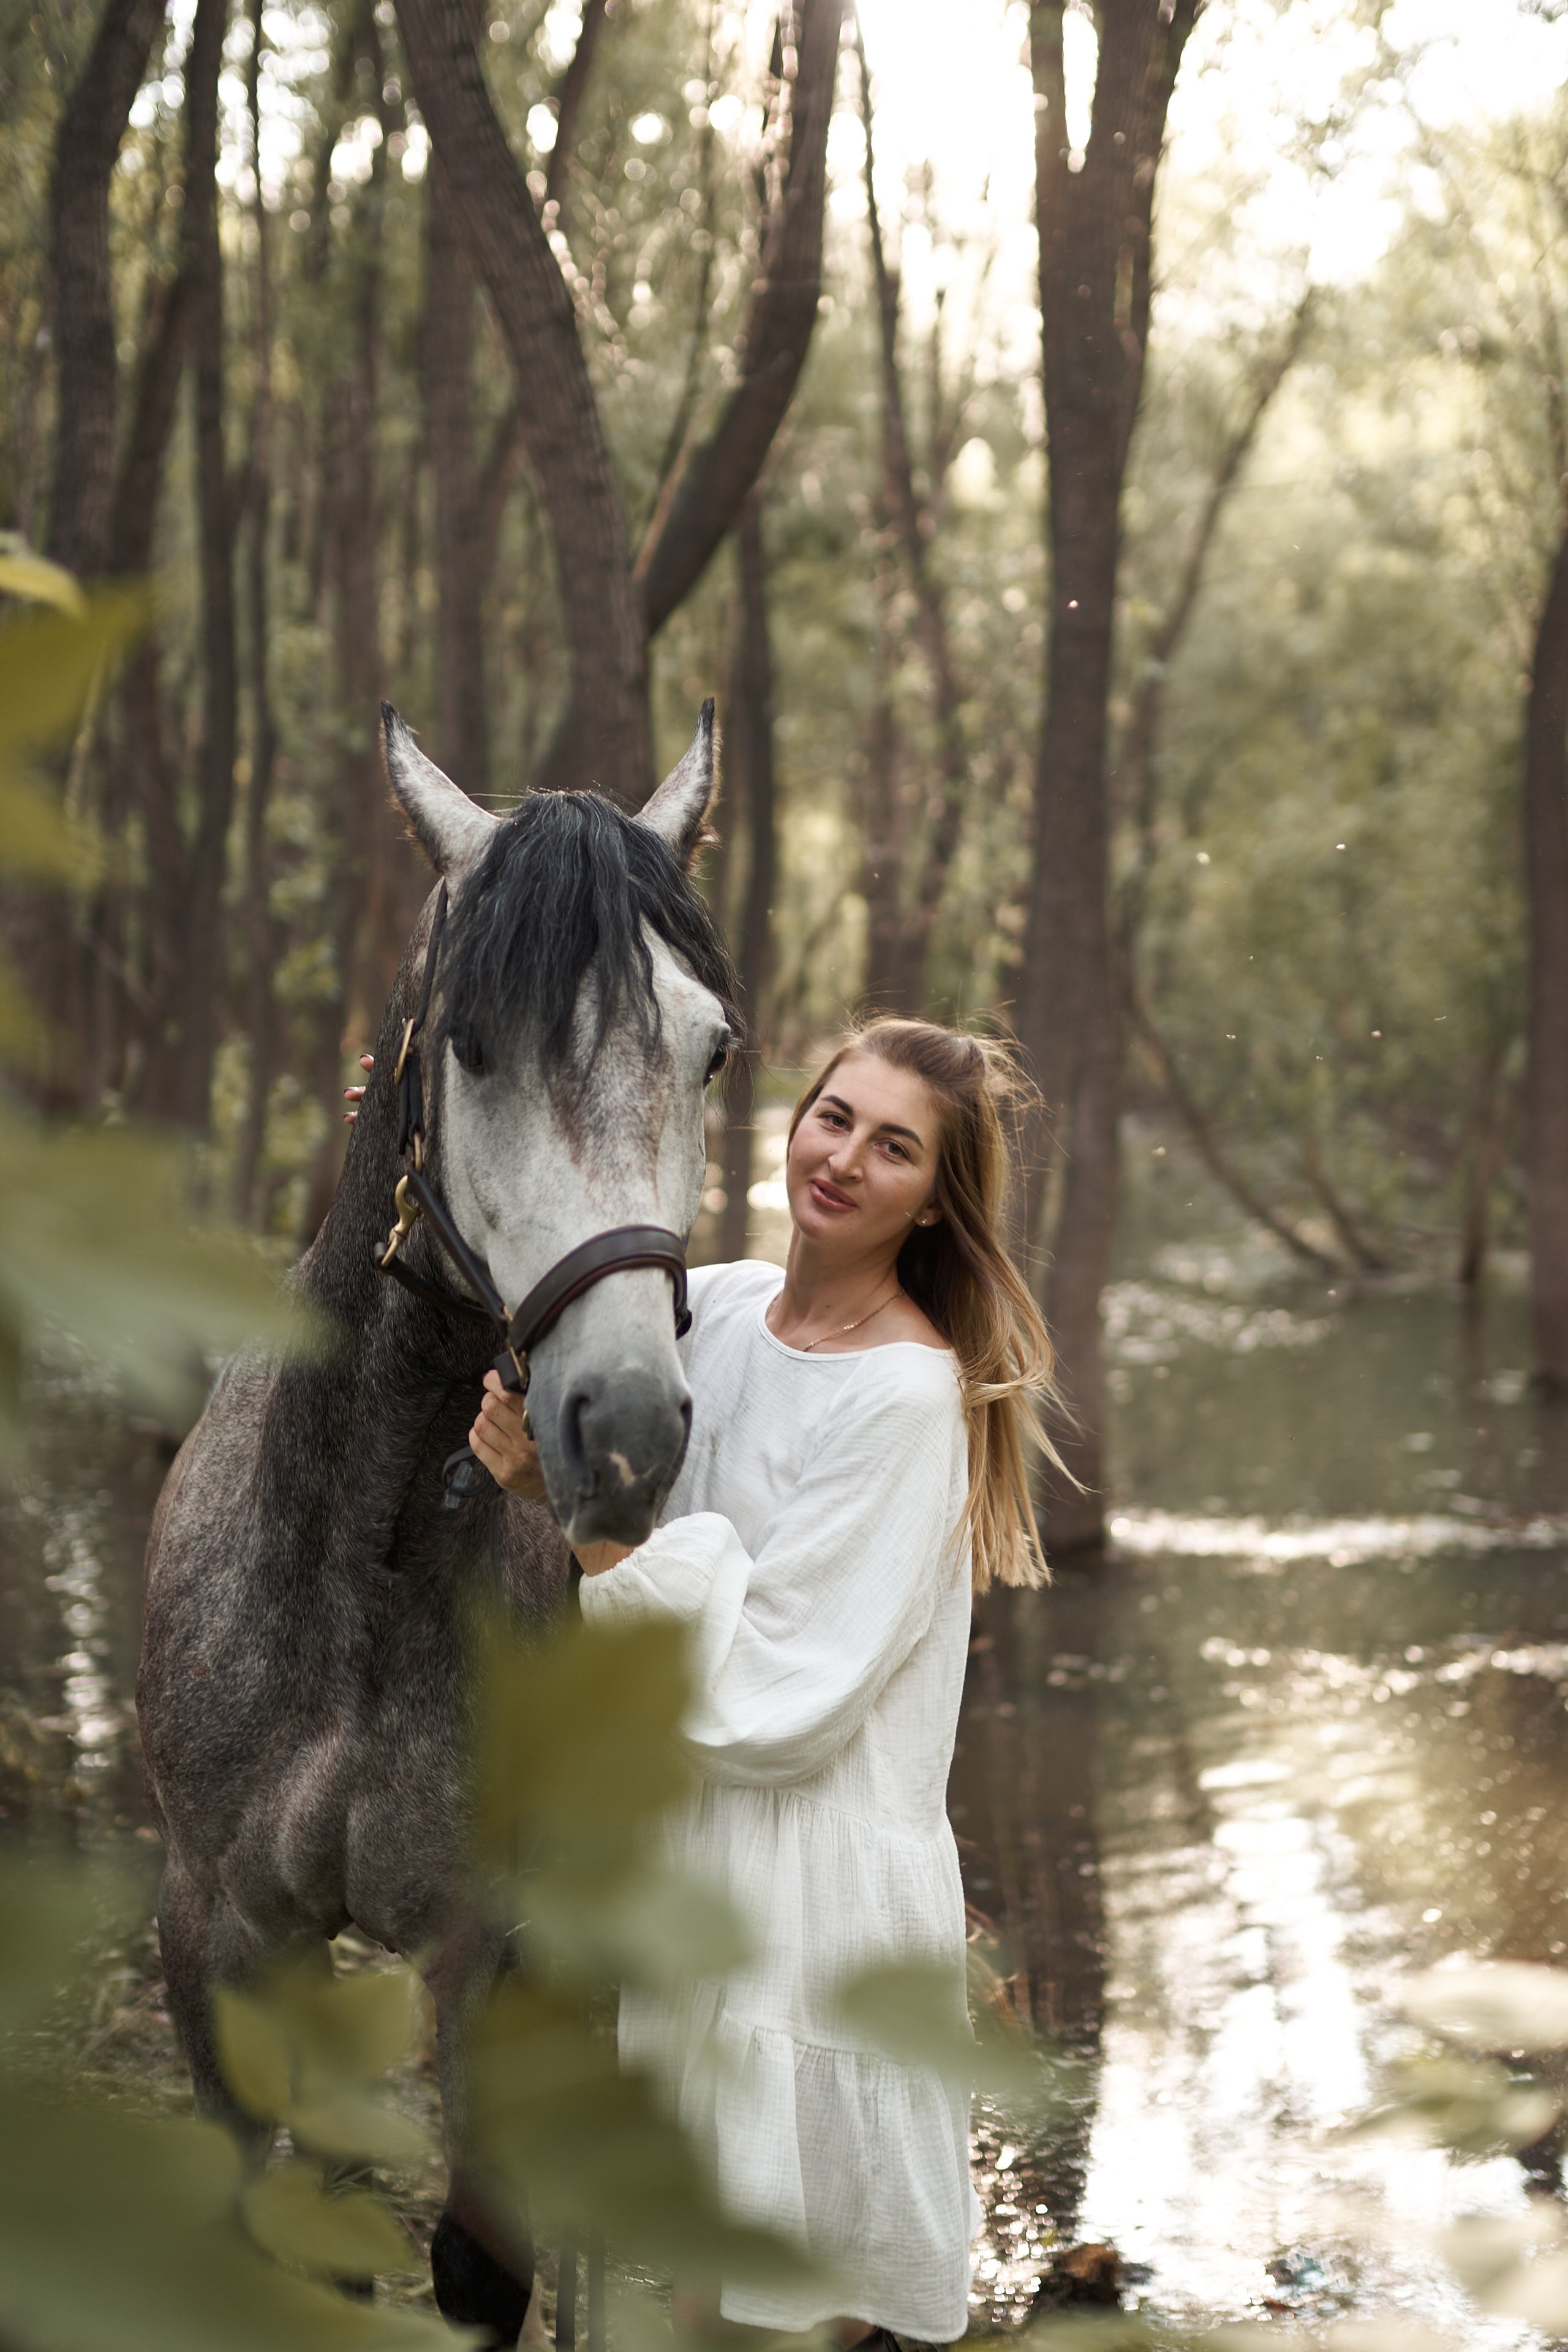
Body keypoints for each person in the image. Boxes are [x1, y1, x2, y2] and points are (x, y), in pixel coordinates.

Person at [350, 1019, 1066, 2345]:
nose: (843, 1158)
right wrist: (428, 1112)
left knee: (751, 2318)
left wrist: (580, 1522)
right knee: (677, 2301)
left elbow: (776, 1703)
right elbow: (547, 1299)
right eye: (833, 1117)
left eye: (894, 1147)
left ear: (934, 1204)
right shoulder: (722, 1305)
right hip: (696, 1876)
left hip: (810, 1916)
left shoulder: (906, 1401)